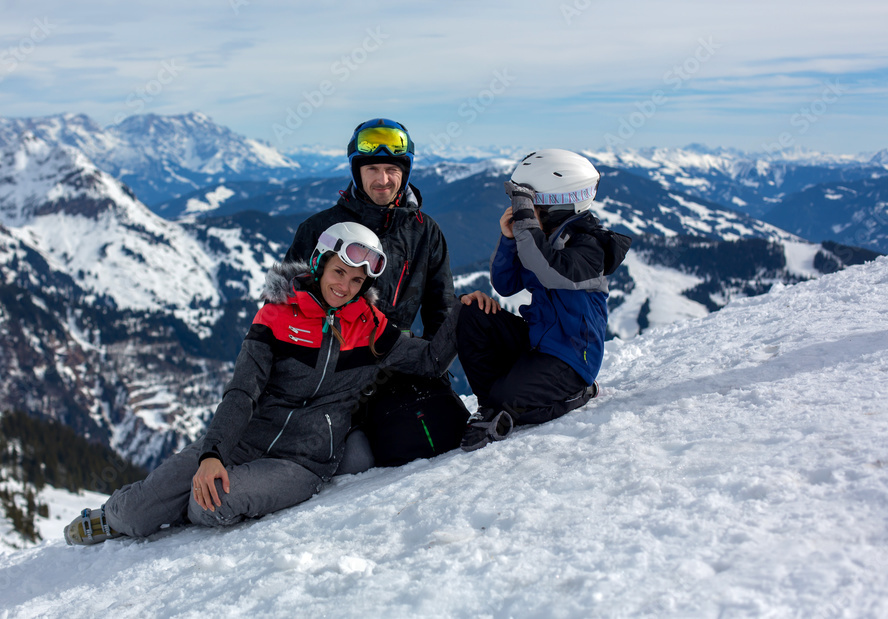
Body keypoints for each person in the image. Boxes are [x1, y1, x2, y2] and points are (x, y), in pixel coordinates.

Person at [64, 222, 459, 545]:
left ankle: (172, 505)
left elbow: (429, 360)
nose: (346, 287)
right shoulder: (277, 316)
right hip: (244, 439)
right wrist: (213, 454)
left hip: (301, 461)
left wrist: (464, 314)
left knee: (210, 506)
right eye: (339, 272)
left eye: (357, 281)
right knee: (134, 514)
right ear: (320, 263)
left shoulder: (371, 329)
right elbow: (242, 391)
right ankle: (118, 512)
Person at [285, 118, 495, 470]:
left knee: (446, 431)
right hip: (336, 370)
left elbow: (440, 307)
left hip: (402, 361)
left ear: (405, 172)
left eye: (391, 169)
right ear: (356, 172)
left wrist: (433, 368)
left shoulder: (424, 232)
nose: (382, 179)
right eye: (372, 169)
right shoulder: (320, 230)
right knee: (373, 456)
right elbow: (289, 308)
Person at [457, 149, 632, 451]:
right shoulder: (542, 239)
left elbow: (551, 270)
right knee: (472, 313)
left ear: (556, 204)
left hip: (572, 358)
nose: (519, 208)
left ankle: (578, 394)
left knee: (507, 395)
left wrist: (526, 224)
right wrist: (510, 238)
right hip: (537, 342)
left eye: (527, 202)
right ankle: (493, 407)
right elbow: (505, 284)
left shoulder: (589, 246)